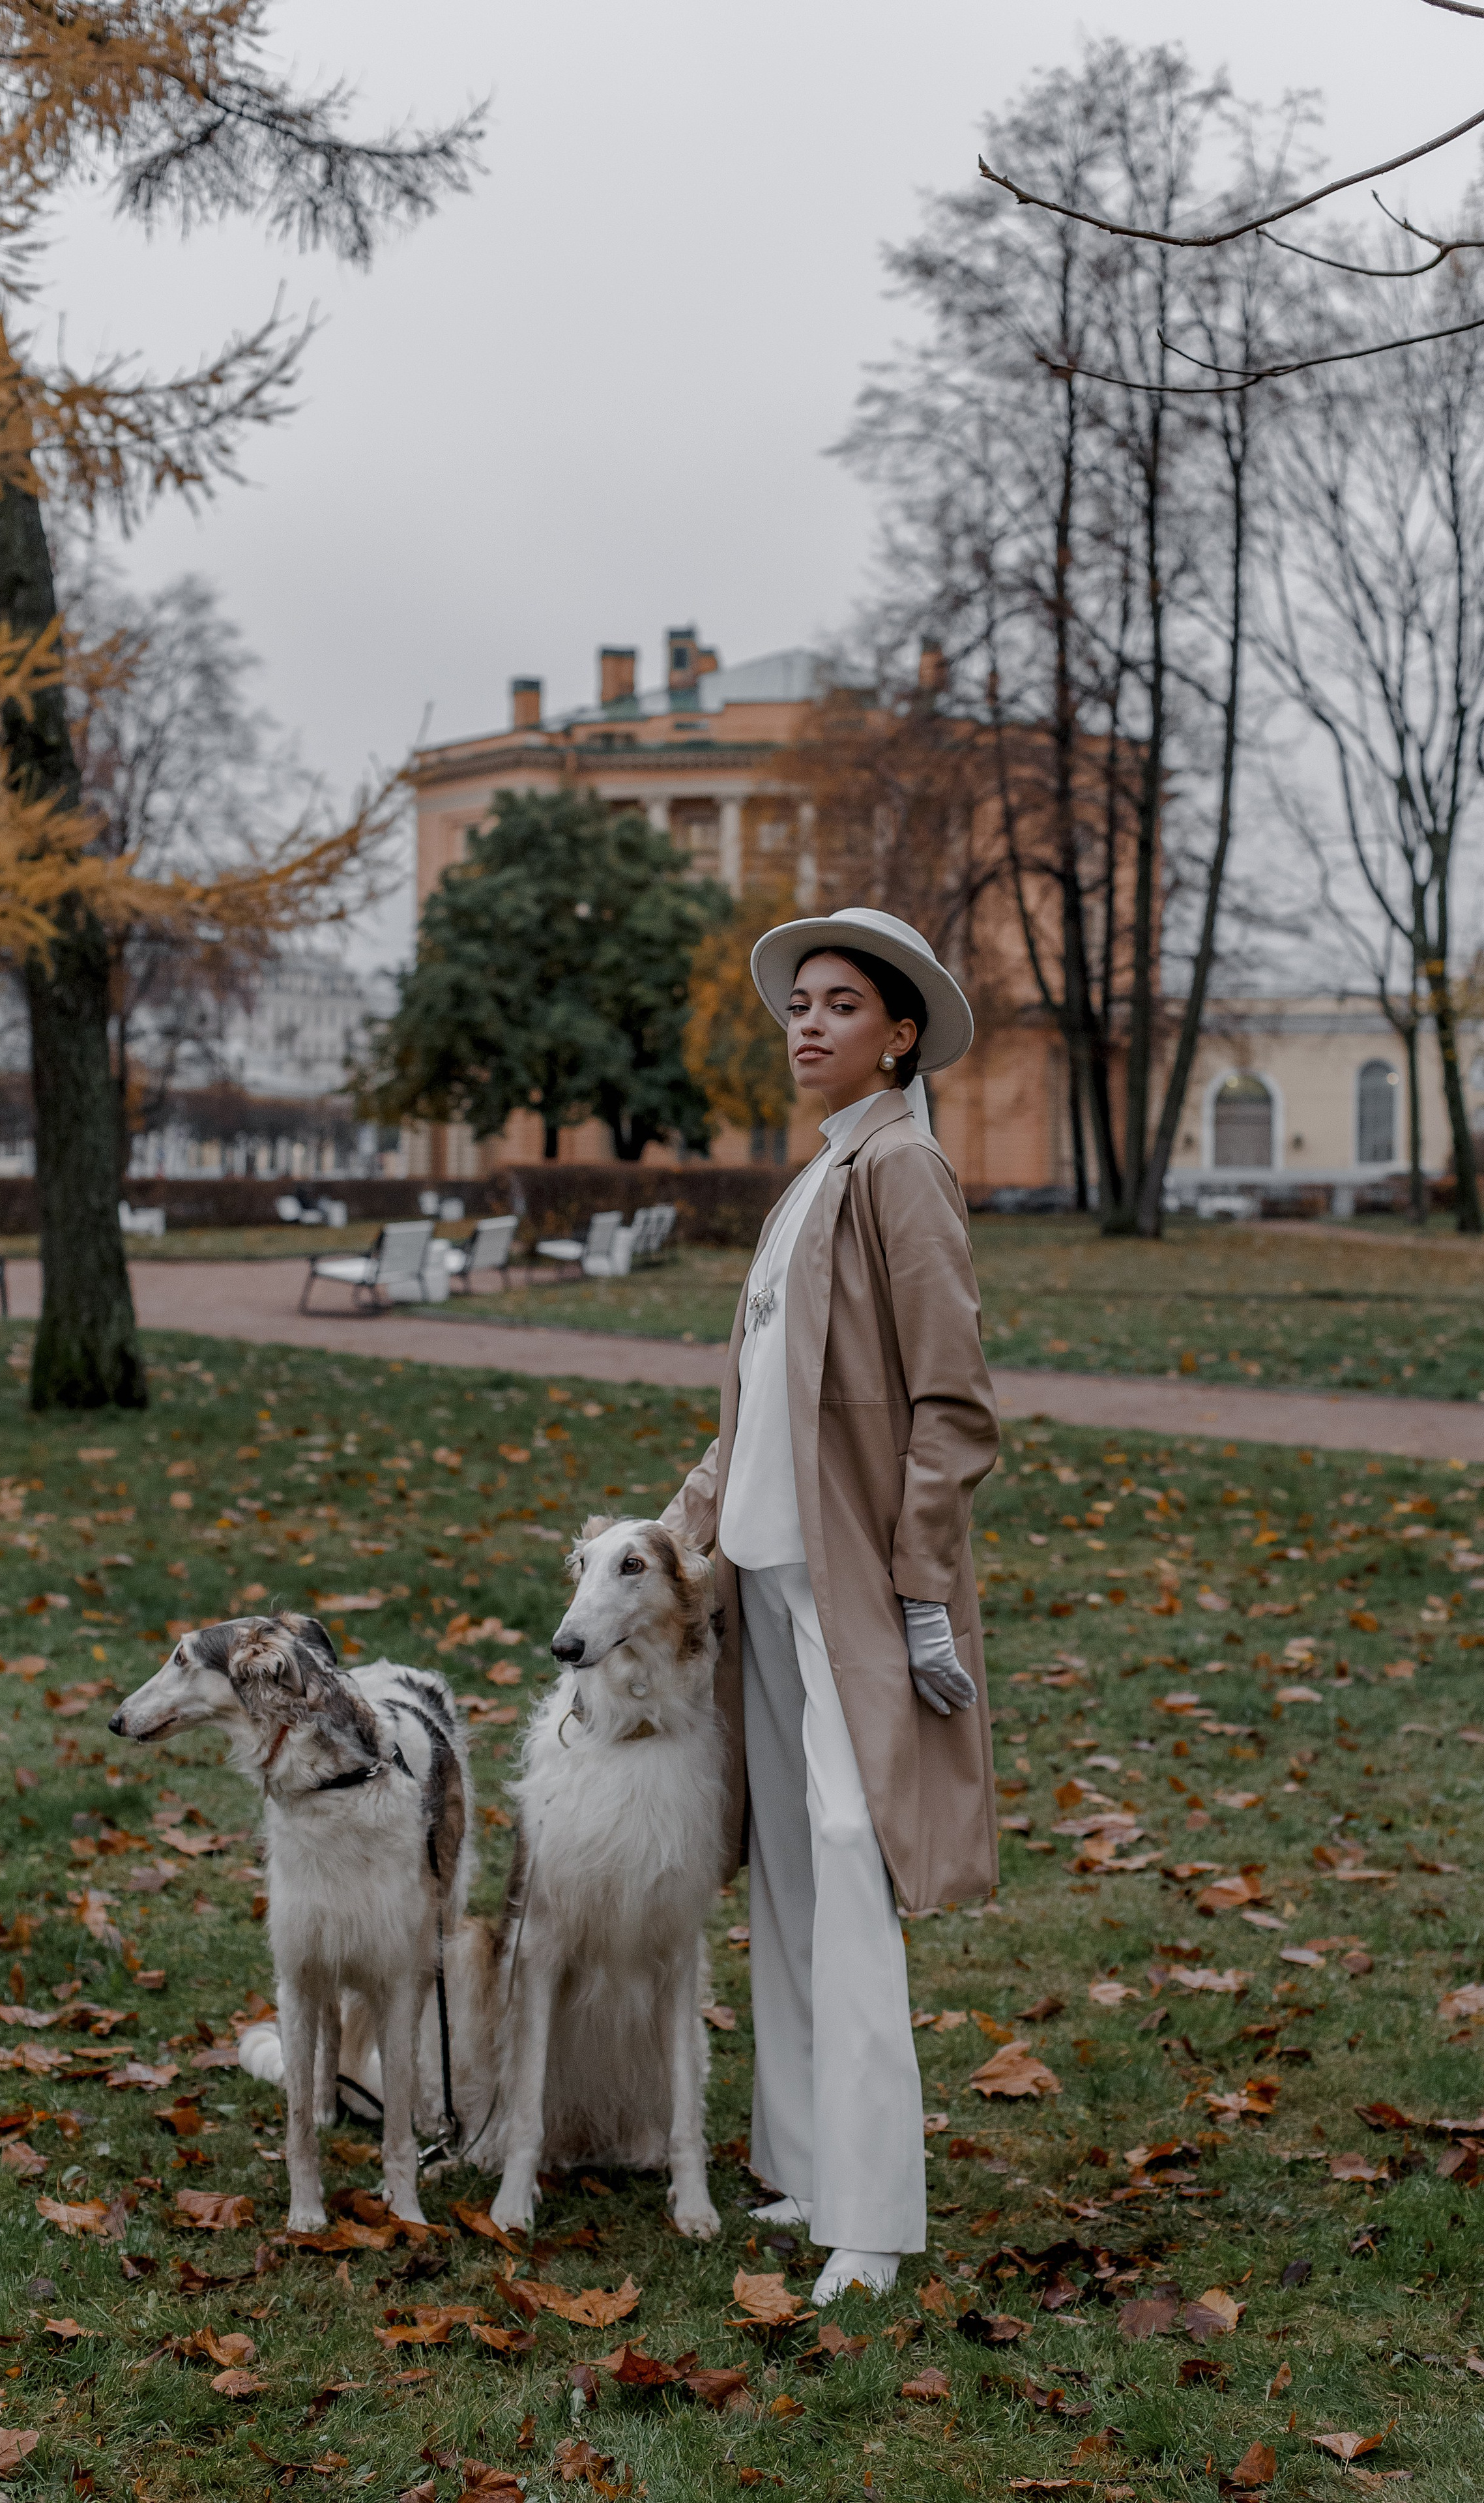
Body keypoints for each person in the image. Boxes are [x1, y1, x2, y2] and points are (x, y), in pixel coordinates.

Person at [662, 904, 999, 2304]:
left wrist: (922, 1587)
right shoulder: (810, 1180)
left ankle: (871, 2212)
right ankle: (801, 2167)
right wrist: (676, 1529)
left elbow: (952, 1404)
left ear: (899, 1032)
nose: (806, 1023)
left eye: (839, 1005)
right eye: (797, 1003)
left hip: (857, 1588)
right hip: (767, 1583)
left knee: (850, 1864)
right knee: (791, 1880)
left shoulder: (903, 1167)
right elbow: (751, 1409)